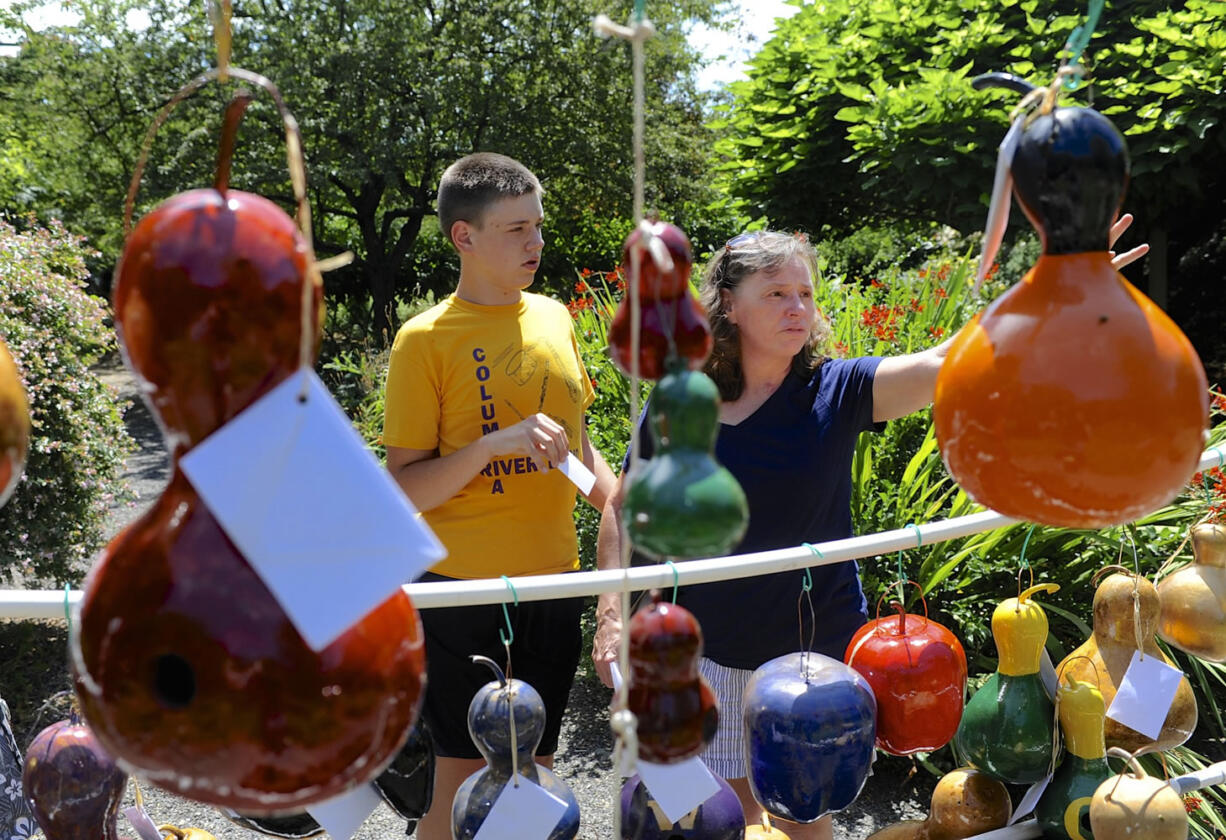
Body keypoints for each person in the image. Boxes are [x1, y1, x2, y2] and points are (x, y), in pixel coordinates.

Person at [591, 220, 1146, 840]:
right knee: (733, 821)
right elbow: (620, 506)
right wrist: (611, 615)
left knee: (805, 818)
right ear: (730, 307)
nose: (797, 307)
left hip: (813, 660)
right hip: (709, 653)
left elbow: (950, 361)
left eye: (804, 293)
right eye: (776, 293)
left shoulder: (839, 388)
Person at [384, 152, 615, 840]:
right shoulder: (423, 340)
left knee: (530, 776)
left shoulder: (552, 317)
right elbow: (401, 489)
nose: (536, 243)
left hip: (552, 591)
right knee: (456, 794)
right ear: (465, 237)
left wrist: (619, 505)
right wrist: (488, 447)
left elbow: (577, 447)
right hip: (461, 598)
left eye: (538, 226)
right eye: (516, 229)